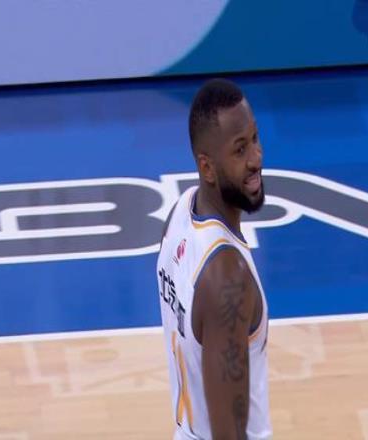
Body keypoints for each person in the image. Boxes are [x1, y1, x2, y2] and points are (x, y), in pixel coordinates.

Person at [157, 78, 272, 440]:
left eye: (254, 138)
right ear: (207, 168)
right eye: (239, 150)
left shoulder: (180, 212)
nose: (255, 158)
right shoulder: (228, 279)